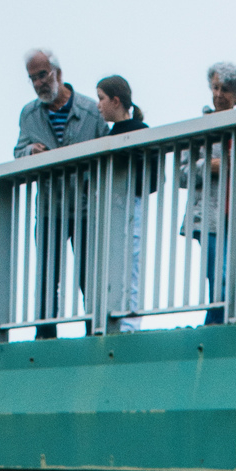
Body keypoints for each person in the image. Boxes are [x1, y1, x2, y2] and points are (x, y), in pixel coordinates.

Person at [14, 50, 101, 337]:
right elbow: (18, 152)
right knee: (47, 274)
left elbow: (108, 153)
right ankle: (45, 332)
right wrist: (30, 151)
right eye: (32, 78)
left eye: (42, 75)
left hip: (87, 206)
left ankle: (94, 329)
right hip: (51, 206)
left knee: (90, 273)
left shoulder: (91, 110)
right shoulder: (29, 114)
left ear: (57, 73)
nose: (38, 83)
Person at [179, 63, 236, 325]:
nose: (219, 95)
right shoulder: (199, 127)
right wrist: (211, 167)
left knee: (231, 275)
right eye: (216, 87)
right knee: (217, 274)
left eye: (226, 90)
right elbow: (182, 174)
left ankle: (224, 321)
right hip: (207, 215)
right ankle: (216, 324)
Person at [96, 77, 150, 332]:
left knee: (132, 259)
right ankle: (115, 318)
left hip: (131, 204)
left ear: (115, 100)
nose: (98, 105)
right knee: (113, 260)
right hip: (114, 207)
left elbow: (150, 177)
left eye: (101, 98)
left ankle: (130, 320)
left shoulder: (138, 130)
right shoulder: (110, 134)